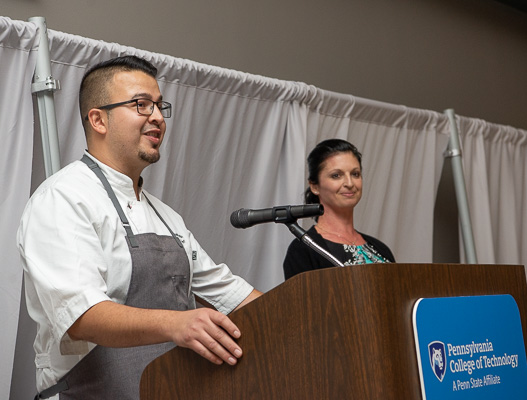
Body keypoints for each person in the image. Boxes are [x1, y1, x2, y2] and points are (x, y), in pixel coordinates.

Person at [17, 55, 261, 399]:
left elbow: (231, 294)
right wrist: (178, 323)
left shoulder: (166, 217)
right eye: (141, 105)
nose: (158, 117)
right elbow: (82, 316)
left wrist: (306, 314)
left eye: (160, 106)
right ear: (98, 120)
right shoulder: (62, 198)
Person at [283, 139, 395, 280]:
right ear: (315, 186)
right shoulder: (304, 249)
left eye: (355, 174)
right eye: (336, 175)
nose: (349, 183)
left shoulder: (380, 249)